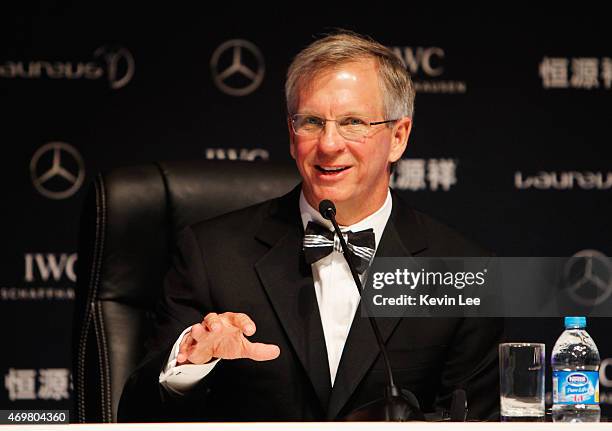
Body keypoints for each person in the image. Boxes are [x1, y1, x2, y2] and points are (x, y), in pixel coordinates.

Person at [118, 31, 502, 422]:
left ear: (398, 137)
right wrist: (191, 361)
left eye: (353, 122)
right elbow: (136, 416)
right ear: (291, 133)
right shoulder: (211, 254)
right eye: (312, 122)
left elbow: (474, 425)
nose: (329, 143)